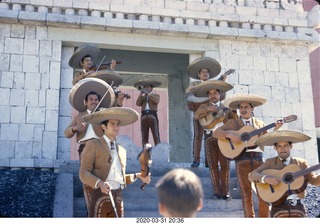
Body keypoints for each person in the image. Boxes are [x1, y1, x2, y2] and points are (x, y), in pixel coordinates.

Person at [212, 93, 283, 217]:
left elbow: (268, 140)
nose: (243, 110)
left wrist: (276, 129)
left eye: (246, 107)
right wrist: (229, 135)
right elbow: (216, 132)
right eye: (241, 107)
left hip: (259, 161)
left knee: (264, 194)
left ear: (252, 109)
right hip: (242, 161)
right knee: (246, 195)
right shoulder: (233, 123)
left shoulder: (260, 124)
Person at [79, 107, 151, 217]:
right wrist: (99, 183)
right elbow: (83, 173)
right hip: (99, 195)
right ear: (104, 127)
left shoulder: (122, 151)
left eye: (118, 124)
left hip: (118, 197)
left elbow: (119, 179)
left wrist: (138, 176)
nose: (116, 127)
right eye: (112, 124)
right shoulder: (93, 144)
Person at [248, 130, 320, 217]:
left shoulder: (301, 163)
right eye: (279, 146)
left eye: (286, 146)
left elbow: (314, 180)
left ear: (291, 146)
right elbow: (252, 176)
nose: (283, 149)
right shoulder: (270, 162)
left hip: (297, 206)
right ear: (275, 148)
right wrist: (266, 178)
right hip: (277, 206)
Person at [193, 80, 238, 200]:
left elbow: (236, 121)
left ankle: (226, 192)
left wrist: (234, 111)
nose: (213, 95)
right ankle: (216, 192)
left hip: (224, 139)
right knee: (213, 166)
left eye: (215, 93)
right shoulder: (204, 106)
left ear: (219, 95)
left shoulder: (226, 108)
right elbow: (196, 115)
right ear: (208, 96)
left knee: (225, 165)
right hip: (210, 138)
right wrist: (209, 110)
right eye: (211, 93)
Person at [185, 57, 224, 168]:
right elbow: (188, 91)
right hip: (199, 113)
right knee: (198, 136)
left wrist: (222, 82)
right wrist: (201, 87)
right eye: (203, 72)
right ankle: (196, 160)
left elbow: (221, 97)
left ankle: (209, 161)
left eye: (207, 72)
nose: (205, 73)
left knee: (211, 137)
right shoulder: (195, 83)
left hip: (211, 115)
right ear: (199, 74)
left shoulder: (213, 85)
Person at [64, 78, 116, 158]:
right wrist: (76, 128)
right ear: (86, 102)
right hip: (84, 145)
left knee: (99, 170)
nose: (93, 101)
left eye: (96, 100)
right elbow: (66, 133)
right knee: (85, 168)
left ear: (99, 102)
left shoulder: (102, 115)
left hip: (100, 146)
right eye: (90, 99)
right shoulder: (79, 116)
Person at [135, 79, 161, 147]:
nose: (146, 88)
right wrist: (141, 94)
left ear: (151, 88)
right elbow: (138, 103)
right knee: (144, 137)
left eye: (147, 87)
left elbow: (156, 101)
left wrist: (149, 94)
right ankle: (145, 152)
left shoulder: (156, 95)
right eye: (145, 87)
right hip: (144, 115)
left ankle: (158, 150)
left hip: (152, 114)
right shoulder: (143, 97)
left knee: (156, 135)